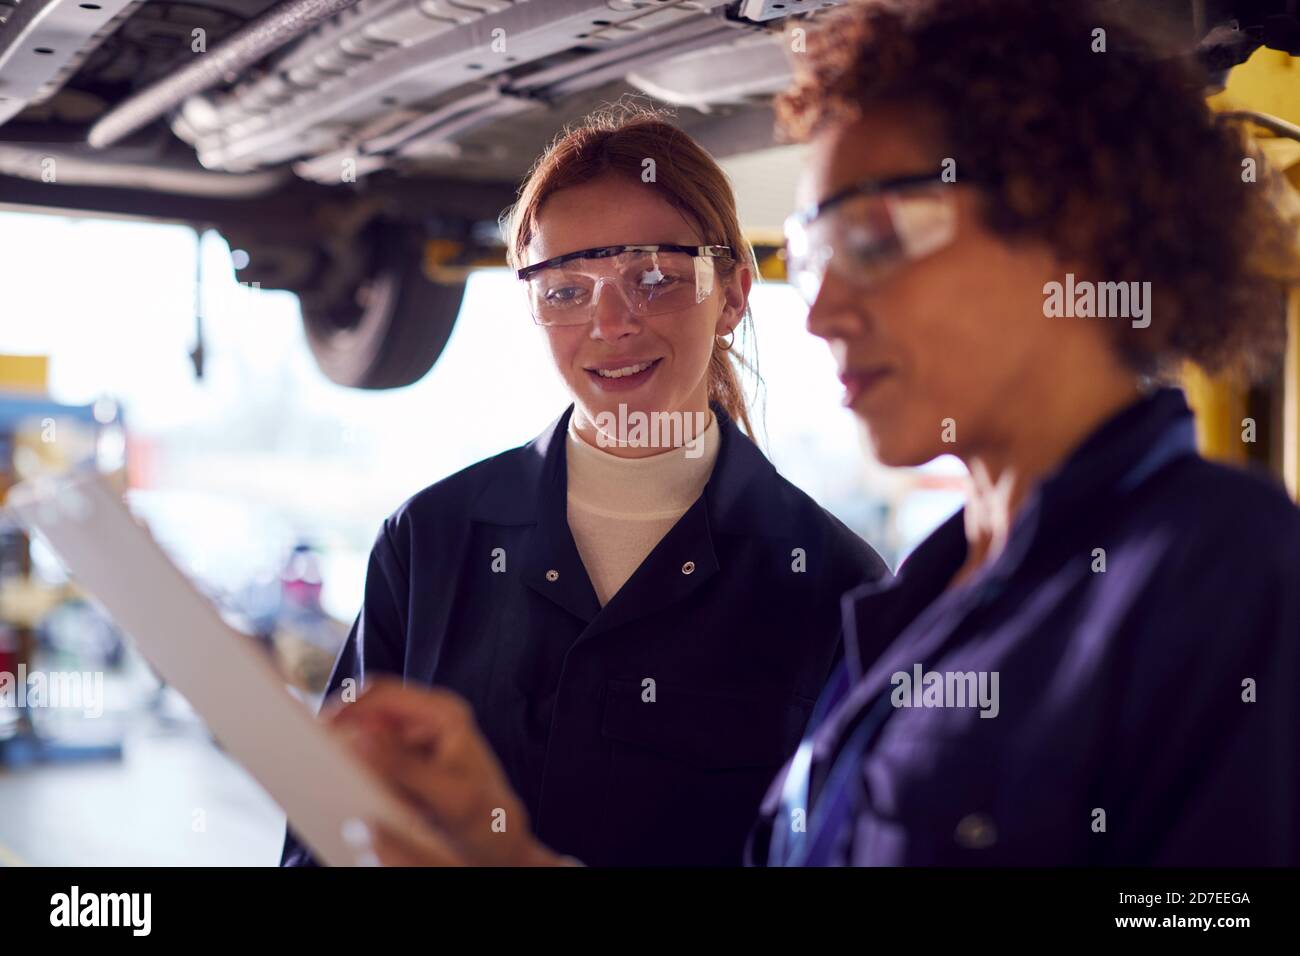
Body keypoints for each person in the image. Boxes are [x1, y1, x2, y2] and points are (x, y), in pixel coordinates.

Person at [316, 0, 1300, 868]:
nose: (820, 309)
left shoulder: (1226, 571)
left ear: (1070, 224)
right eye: (819, 251)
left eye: (872, 239)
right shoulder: (917, 604)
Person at [281, 107, 888, 867]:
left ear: (733, 294)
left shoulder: (836, 588)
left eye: (655, 278)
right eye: (565, 291)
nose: (611, 323)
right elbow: (324, 829)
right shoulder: (431, 540)